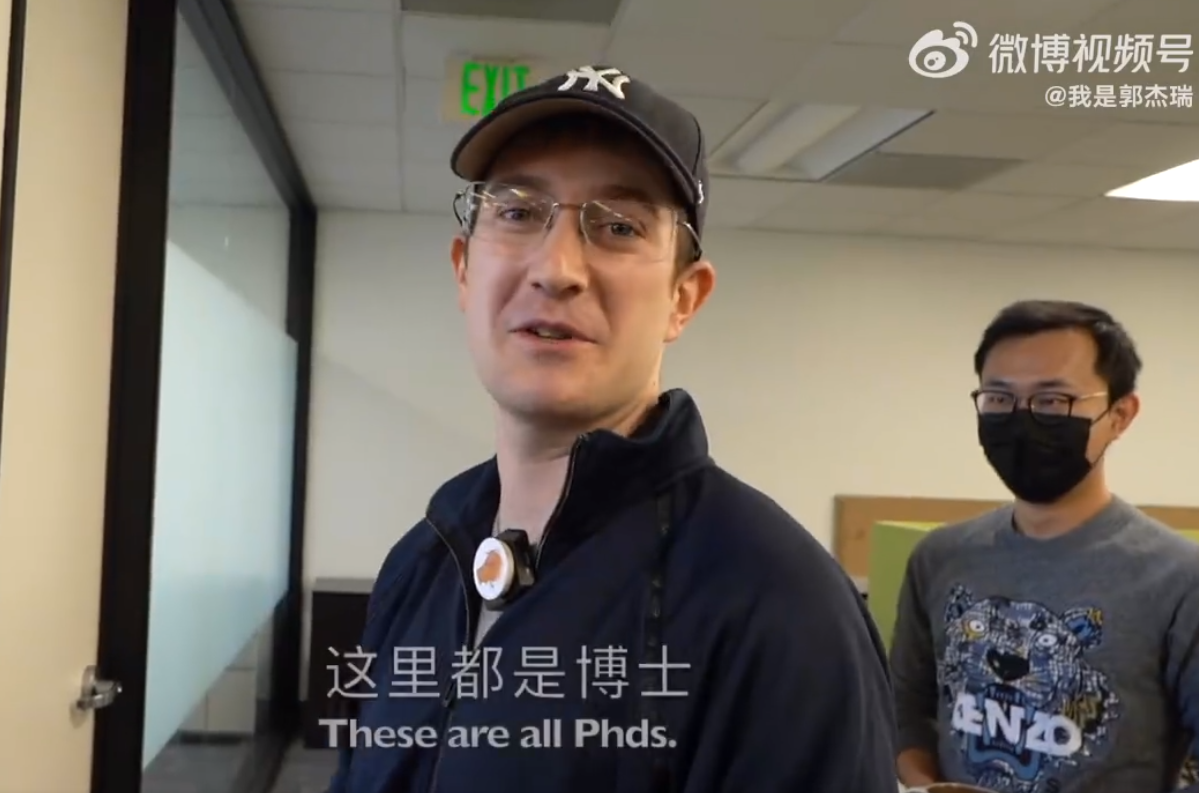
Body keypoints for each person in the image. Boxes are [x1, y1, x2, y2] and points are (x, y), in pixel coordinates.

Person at [323, 65, 897, 793]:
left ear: (683, 299)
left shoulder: (779, 607)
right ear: (464, 269)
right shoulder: (426, 555)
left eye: (619, 226)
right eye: (518, 212)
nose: (556, 268)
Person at [890, 299, 1199, 792]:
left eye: (1052, 400)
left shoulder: (1185, 580)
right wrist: (926, 784)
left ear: (1120, 415)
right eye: (999, 398)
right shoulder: (940, 558)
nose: (1022, 419)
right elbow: (904, 711)